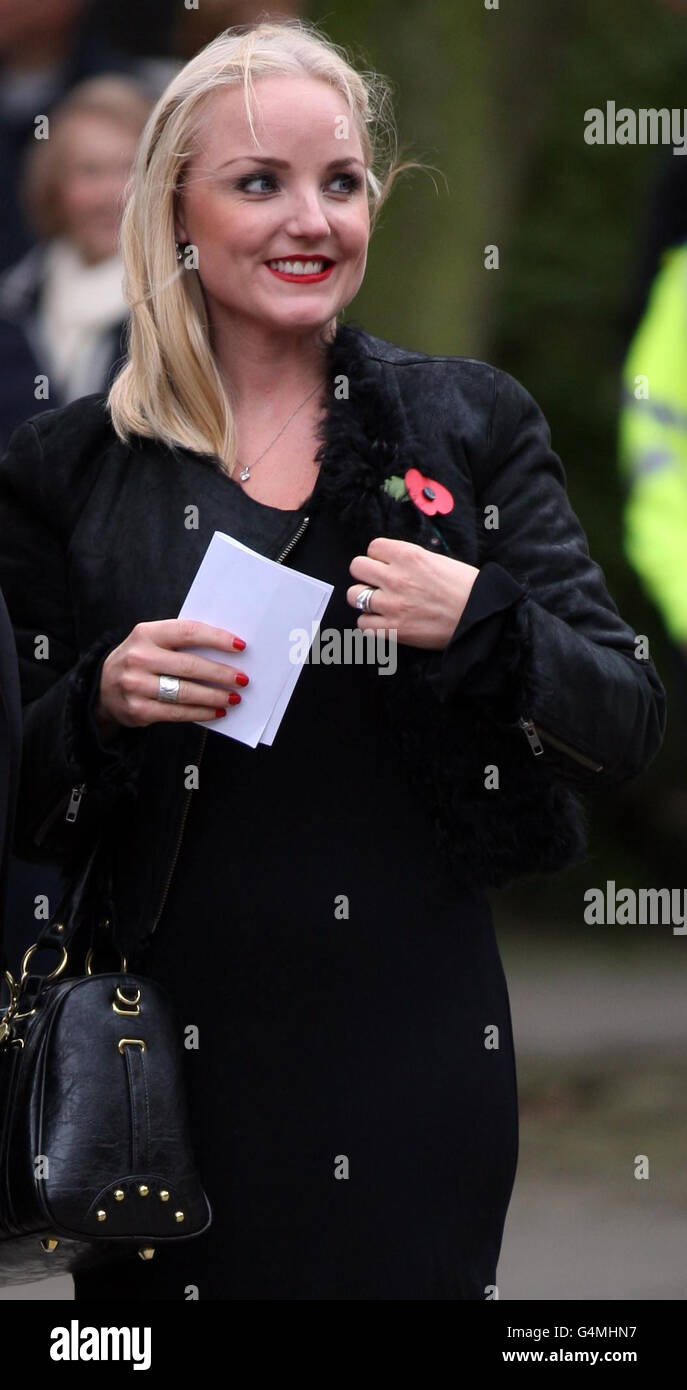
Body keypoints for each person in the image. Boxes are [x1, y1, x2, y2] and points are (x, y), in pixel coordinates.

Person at [0, 19, 666, 1301]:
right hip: (161, 1076)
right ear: (173, 212)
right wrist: (100, 699)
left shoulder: (469, 425)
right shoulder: (66, 470)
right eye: (259, 183)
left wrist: (485, 617)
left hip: (417, 1054)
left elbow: (625, 718)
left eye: (342, 182)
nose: (312, 218)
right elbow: (21, 790)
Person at [0, 75, 153, 447]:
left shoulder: (185, 308)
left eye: (129, 169)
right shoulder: (16, 301)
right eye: (90, 171)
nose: (112, 195)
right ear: (54, 187)